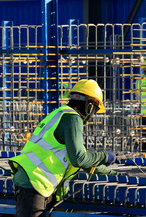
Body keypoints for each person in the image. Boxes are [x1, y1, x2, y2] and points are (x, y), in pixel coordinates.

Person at [9, 79, 126, 217]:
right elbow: (79, 159)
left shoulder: (61, 114)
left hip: (34, 183)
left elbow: (86, 162)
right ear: (90, 105)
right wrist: (105, 156)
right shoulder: (72, 119)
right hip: (34, 183)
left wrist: (119, 176)